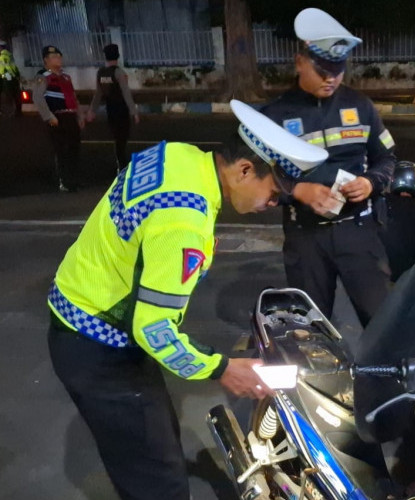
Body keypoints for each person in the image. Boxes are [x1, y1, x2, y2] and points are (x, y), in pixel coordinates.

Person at [47, 99, 329, 499]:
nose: (273, 204)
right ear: (245, 168)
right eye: (274, 193)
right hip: (99, 348)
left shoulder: (178, 155)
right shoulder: (185, 221)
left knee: (154, 448)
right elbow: (154, 328)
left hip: (81, 316)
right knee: (159, 481)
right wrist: (222, 369)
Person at [262, 8, 395, 327]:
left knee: (383, 324)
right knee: (309, 331)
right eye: (322, 69)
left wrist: (371, 183)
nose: (331, 78)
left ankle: (383, 379)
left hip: (359, 232)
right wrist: (296, 191)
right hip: (305, 238)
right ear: (299, 63)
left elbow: (386, 159)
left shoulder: (361, 106)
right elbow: (255, 179)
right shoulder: (274, 115)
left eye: (338, 69)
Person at [33, 45, 84, 192]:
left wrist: (79, 116)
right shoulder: (43, 77)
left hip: (70, 116)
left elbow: (74, 98)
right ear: (46, 60)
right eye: (54, 57)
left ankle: (74, 179)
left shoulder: (65, 77)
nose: (58, 59)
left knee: (74, 148)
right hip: (57, 117)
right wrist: (49, 117)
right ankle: (64, 181)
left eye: (59, 56)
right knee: (61, 150)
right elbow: (37, 98)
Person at [87, 43, 139, 172]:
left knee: (117, 138)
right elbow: (126, 93)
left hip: (110, 109)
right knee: (122, 138)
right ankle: (122, 166)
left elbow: (98, 94)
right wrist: (134, 112)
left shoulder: (101, 73)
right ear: (118, 55)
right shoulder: (119, 72)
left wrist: (92, 111)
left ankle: (119, 164)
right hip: (121, 109)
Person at [0, 39, 22, 117]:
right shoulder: (9, 54)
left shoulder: (3, 56)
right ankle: (17, 111)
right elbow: (13, 66)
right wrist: (17, 75)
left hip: (8, 77)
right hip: (11, 77)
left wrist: (11, 75)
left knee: (10, 94)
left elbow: (8, 67)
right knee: (15, 94)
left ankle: (14, 111)